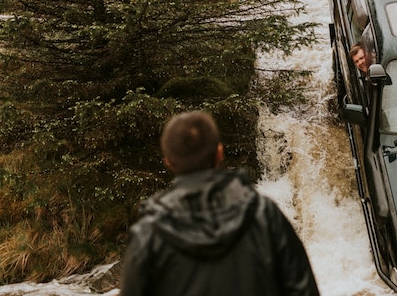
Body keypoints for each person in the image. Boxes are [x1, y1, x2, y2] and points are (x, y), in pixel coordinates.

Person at [119, 111, 320, 296]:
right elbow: (305, 290)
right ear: (220, 152)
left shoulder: (149, 234)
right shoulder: (264, 214)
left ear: (169, 162)